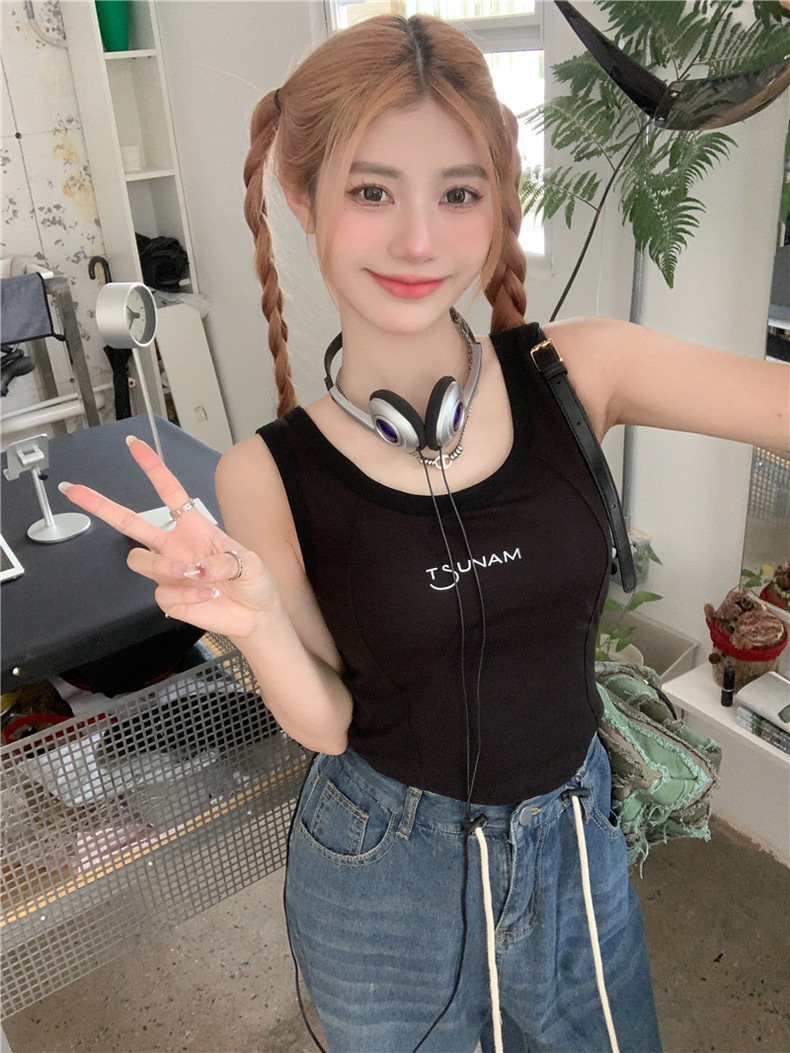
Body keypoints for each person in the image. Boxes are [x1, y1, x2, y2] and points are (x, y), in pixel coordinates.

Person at [59, 13, 788, 1053]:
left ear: (497, 203)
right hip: (385, 878)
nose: (418, 241)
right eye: (371, 192)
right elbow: (326, 722)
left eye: (458, 193)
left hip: (573, 845)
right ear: (303, 197)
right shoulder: (263, 473)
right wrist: (255, 623)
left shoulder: (583, 370)